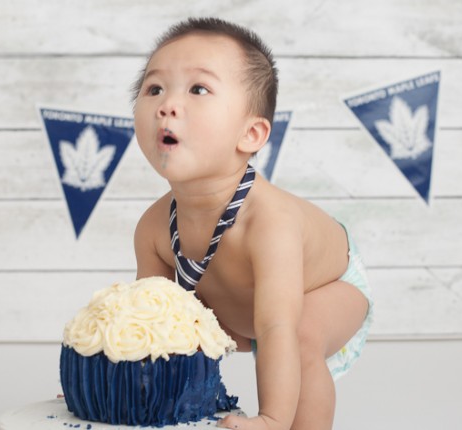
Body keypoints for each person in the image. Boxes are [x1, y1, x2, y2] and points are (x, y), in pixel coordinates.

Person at [131, 17, 373, 430]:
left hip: (326, 286)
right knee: (175, 327)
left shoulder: (269, 223)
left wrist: (271, 418)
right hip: (236, 308)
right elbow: (149, 324)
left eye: (198, 89)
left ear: (251, 134)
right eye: (154, 88)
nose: (167, 104)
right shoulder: (154, 227)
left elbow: (275, 324)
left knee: (299, 336)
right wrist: (110, 379)